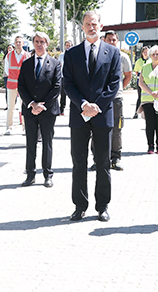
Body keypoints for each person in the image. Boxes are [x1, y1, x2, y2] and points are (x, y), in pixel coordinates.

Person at [63, 11, 122, 222]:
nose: (91, 27)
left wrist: (97, 105)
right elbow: (68, 83)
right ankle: (79, 206)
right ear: (82, 27)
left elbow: (115, 83)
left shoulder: (113, 53)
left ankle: (102, 206)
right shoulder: (72, 54)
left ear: (101, 25)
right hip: (79, 115)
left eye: (94, 23)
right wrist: (83, 104)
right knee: (79, 162)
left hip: (102, 115)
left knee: (103, 162)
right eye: (87, 24)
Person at [17, 32, 61, 188]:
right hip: (30, 110)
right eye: (36, 41)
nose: (39, 44)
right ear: (33, 43)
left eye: (42, 42)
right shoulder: (27, 63)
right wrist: (31, 104)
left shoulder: (55, 64)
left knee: (47, 143)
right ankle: (30, 175)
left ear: (47, 44)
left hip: (48, 111)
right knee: (30, 143)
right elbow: (21, 86)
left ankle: (47, 175)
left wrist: (42, 105)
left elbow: (56, 88)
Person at [103, 31, 132, 170]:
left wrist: (117, 89)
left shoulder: (123, 57)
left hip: (116, 99)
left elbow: (128, 76)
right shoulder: (99, 55)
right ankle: (99, 159)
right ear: (104, 40)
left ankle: (116, 158)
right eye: (109, 40)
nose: (112, 42)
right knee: (97, 129)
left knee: (117, 129)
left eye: (114, 40)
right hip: (100, 99)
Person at [5, 35, 30, 134]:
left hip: (24, 85)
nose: (18, 43)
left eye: (20, 42)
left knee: (24, 107)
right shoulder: (9, 55)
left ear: (23, 44)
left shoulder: (27, 55)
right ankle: (9, 127)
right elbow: (7, 70)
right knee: (10, 107)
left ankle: (25, 128)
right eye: (17, 42)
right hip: (11, 84)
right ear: (14, 43)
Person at [132, 46, 149, 119]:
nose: (145, 53)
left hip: (148, 81)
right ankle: (136, 113)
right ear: (142, 53)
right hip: (140, 81)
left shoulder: (150, 61)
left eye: (147, 52)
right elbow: (136, 71)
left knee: (148, 98)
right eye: (144, 52)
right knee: (140, 97)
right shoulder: (139, 61)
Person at [58, 40, 73, 116]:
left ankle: (73, 110)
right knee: (63, 94)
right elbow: (59, 65)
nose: (68, 46)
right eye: (67, 45)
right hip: (63, 77)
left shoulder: (74, 54)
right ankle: (61, 109)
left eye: (69, 45)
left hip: (72, 78)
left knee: (72, 94)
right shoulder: (61, 55)